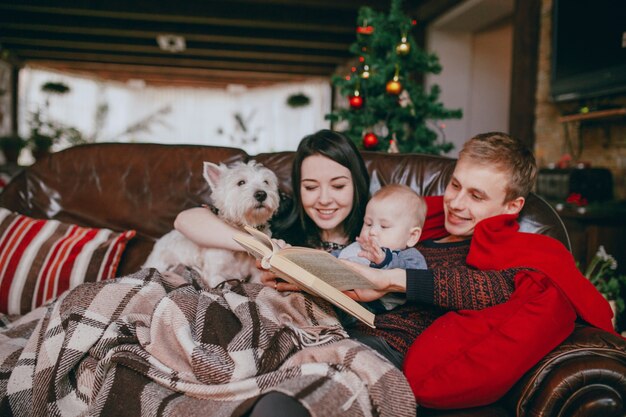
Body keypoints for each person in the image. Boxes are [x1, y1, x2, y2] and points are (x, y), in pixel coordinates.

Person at [174, 129, 370, 417]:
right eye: (311, 187)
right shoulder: (281, 220)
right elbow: (186, 219)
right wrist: (257, 246)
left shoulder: (377, 228)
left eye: (338, 186)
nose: (324, 199)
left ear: (357, 184)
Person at [336, 184, 427, 323]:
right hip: (335, 293)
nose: (372, 231)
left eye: (384, 226)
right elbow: (340, 256)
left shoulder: (410, 256)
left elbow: (415, 276)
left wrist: (384, 260)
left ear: (412, 236)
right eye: (368, 223)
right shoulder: (359, 246)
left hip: (369, 307)